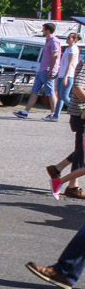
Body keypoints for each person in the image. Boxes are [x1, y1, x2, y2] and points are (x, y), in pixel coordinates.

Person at [45, 53, 85, 198]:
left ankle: (58, 169)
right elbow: (77, 88)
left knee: (81, 150)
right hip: (81, 114)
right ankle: (71, 186)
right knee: (81, 152)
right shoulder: (84, 64)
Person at [15, 23, 61, 120]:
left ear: (48, 30)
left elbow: (55, 56)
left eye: (43, 29)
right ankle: (25, 112)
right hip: (42, 70)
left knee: (51, 92)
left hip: (48, 70)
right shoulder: (48, 40)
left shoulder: (54, 41)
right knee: (34, 91)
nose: (42, 31)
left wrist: (51, 70)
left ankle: (54, 114)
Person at [50, 32, 80, 121]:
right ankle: (56, 116)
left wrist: (66, 77)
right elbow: (63, 63)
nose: (67, 39)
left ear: (74, 40)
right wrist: (58, 73)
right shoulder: (67, 49)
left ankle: (79, 111)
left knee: (64, 96)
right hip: (61, 74)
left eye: (69, 38)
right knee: (60, 96)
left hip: (68, 75)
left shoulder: (73, 49)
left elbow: (70, 64)